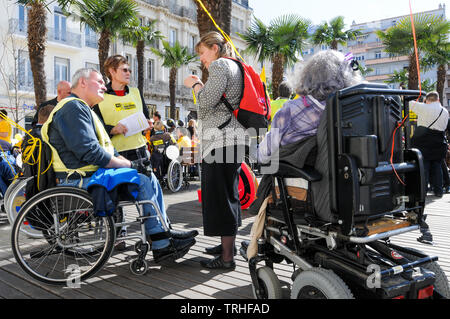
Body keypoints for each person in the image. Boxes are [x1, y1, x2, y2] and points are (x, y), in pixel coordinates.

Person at [41, 68, 197, 263]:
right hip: (78, 180)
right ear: (82, 82)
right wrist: (129, 163)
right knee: (141, 180)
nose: (103, 87)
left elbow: (105, 149)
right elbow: (89, 151)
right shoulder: (72, 108)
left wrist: (130, 163)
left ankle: (164, 231)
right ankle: (161, 244)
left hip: (89, 175)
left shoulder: (82, 108)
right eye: (98, 82)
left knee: (148, 175)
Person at [183, 31, 247, 270]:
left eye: (202, 53)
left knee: (221, 197)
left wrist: (196, 84)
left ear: (215, 48)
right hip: (231, 138)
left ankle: (227, 258)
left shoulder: (221, 65)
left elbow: (206, 101)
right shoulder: (236, 67)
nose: (202, 60)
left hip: (221, 140)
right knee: (228, 194)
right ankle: (225, 246)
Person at [93, 55, 152, 162]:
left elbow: (146, 117)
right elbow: (94, 128)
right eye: (124, 70)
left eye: (129, 70)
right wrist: (112, 130)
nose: (128, 73)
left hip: (140, 151)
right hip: (115, 154)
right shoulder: (100, 97)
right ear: (112, 71)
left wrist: (147, 123)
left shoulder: (136, 92)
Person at [410, 91, 449, 198]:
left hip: (424, 142)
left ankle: (423, 191)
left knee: (424, 167)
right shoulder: (445, 111)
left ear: (427, 100)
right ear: (438, 100)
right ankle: (439, 191)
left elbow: (408, 103)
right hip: (439, 142)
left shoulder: (423, 107)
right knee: (437, 167)